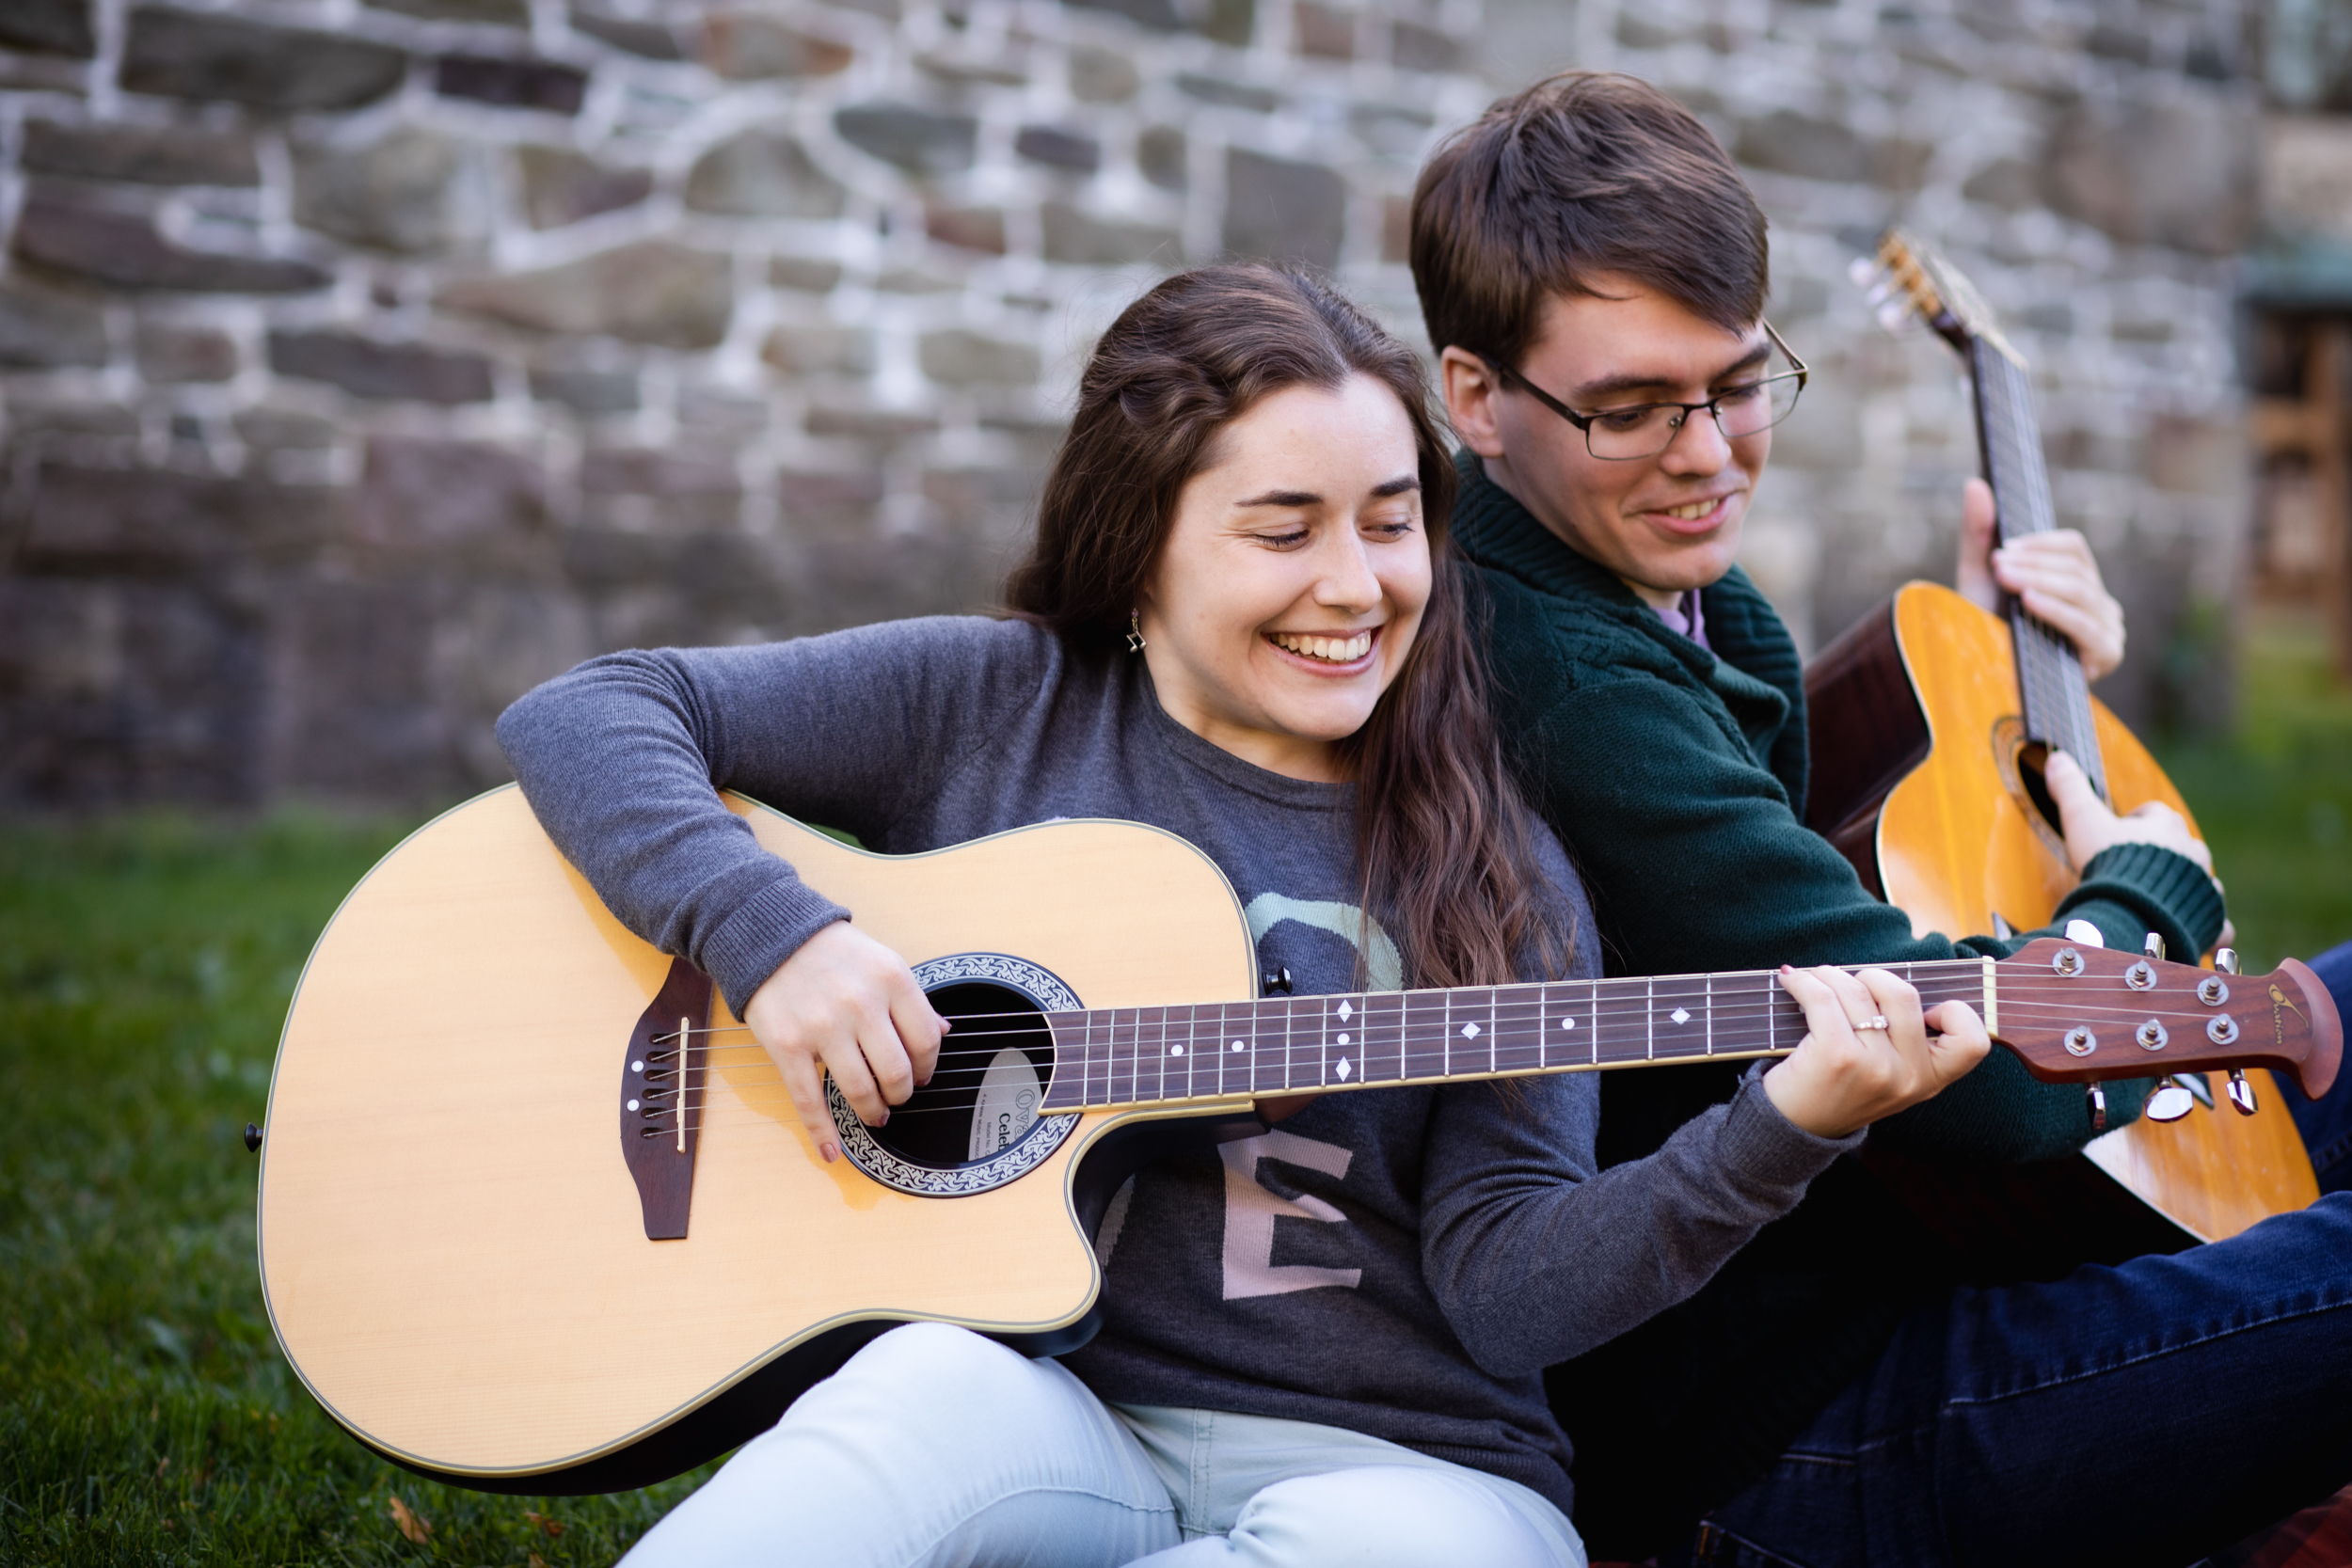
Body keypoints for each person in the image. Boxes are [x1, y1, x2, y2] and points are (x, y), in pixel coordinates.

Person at [497, 264, 1989, 1568]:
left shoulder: (1497, 865)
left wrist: (1779, 1128)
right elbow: (597, 712)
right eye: (1285, 531)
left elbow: (1510, 1291)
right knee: (907, 1402)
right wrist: (779, 940)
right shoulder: (994, 703)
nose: (1355, 587)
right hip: (1051, 1404)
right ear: (1142, 534)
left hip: (1400, 1468)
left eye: (1393, 525)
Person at [1409, 71, 2352, 1568]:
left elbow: (1793, 868)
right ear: (1476, 396)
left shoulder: (1653, 583)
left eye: (1736, 382)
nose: (1710, 453)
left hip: (1896, 1242)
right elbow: (1988, 1088)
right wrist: (2146, 898)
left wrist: (1990, 659)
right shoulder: (1560, 679)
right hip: (1775, 1423)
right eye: (1632, 409)